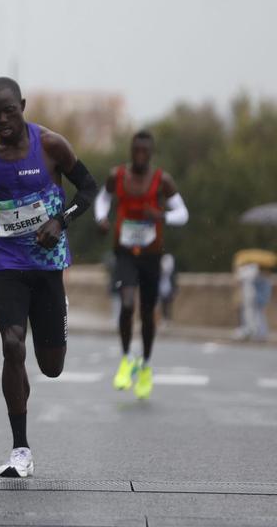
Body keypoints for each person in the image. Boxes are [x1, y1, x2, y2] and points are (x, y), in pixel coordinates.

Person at [0, 77, 99, 478]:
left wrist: (61, 220)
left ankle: (43, 336)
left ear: (22, 105)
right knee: (12, 346)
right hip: (6, 263)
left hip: (46, 267)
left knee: (51, 367)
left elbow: (90, 189)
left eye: (11, 110)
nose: (4, 119)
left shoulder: (51, 145)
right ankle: (20, 449)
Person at [94, 130, 189, 399]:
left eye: (144, 151)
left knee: (148, 313)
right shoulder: (118, 176)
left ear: (151, 152)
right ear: (131, 150)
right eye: (135, 150)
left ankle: (145, 364)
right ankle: (126, 359)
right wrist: (101, 219)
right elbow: (103, 199)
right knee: (126, 303)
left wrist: (161, 216)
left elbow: (183, 213)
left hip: (151, 255)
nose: (139, 155)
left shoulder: (162, 181)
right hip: (124, 252)